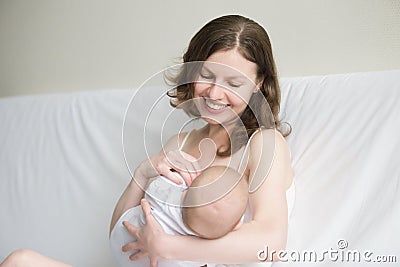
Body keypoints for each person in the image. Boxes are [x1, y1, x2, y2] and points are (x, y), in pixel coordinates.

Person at [0, 14, 295, 267]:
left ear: (257, 85)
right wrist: (141, 175)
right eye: (207, 76)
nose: (215, 94)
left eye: (233, 83)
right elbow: (121, 231)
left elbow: (271, 240)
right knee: (20, 261)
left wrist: (168, 247)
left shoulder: (263, 144)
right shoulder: (181, 142)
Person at [110, 165, 249, 267]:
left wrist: (180, 177)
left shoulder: (164, 194)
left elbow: (158, 183)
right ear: (236, 226)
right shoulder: (204, 249)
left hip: (121, 243)